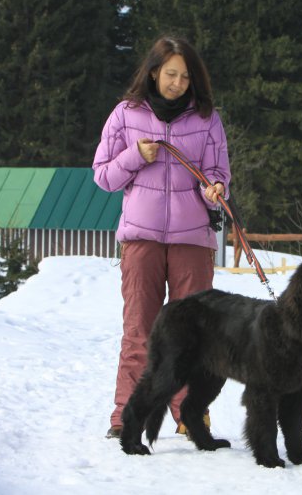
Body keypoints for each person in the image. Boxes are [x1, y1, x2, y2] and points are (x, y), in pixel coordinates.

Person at [92, 36, 231, 439]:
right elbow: (103, 176)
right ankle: (126, 416)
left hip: (193, 240)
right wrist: (136, 155)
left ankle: (190, 416)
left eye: (186, 76)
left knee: (196, 334)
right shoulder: (124, 115)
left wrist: (215, 188)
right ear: (154, 72)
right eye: (171, 74)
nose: (178, 83)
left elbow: (218, 171)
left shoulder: (207, 118)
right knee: (140, 328)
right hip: (141, 240)